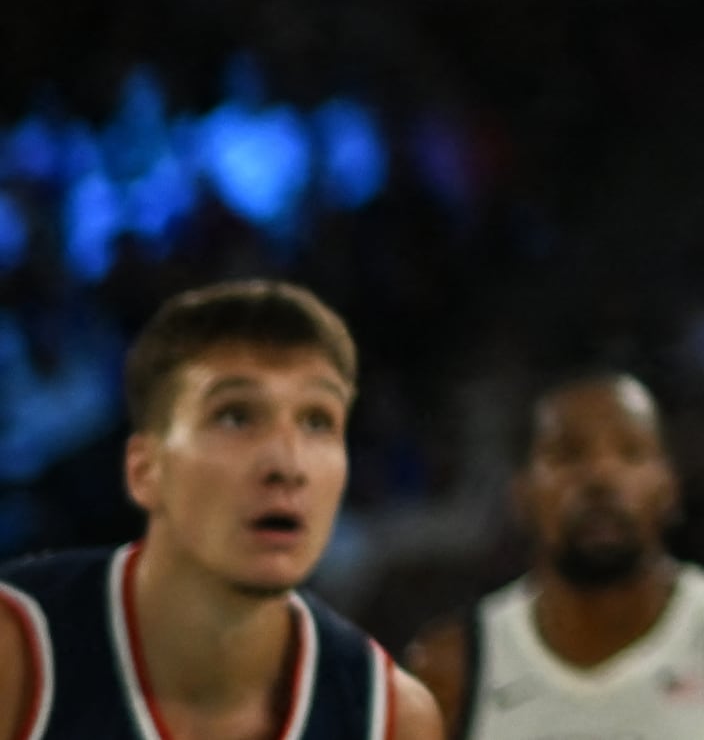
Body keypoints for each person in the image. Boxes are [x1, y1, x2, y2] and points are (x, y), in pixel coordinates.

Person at [0, 282, 446, 740]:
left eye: (317, 421)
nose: (287, 464)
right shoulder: (16, 655)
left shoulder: (392, 717)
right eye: (236, 416)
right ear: (145, 470)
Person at [406, 377, 704, 740]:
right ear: (521, 494)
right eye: (569, 453)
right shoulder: (448, 671)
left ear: (669, 487)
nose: (600, 476)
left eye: (631, 452)